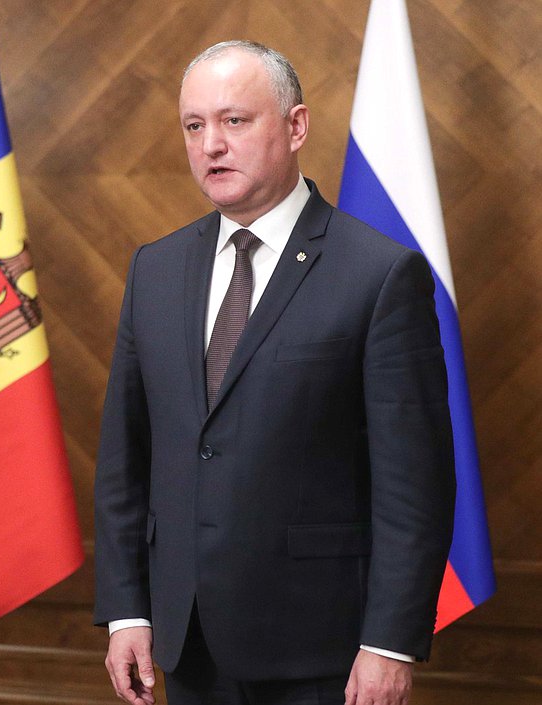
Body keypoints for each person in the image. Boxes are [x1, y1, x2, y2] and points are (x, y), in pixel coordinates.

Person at [93, 41, 456, 705]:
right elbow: (125, 458)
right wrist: (127, 611)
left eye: (235, 121)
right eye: (194, 125)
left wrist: (390, 642)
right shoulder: (156, 268)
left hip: (324, 651)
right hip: (188, 641)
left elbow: (415, 485)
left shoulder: (378, 275)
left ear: (295, 127)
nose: (211, 145)